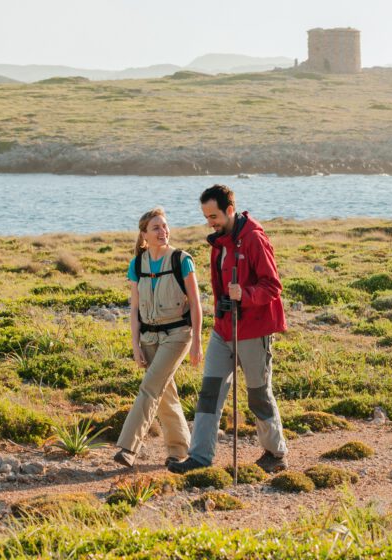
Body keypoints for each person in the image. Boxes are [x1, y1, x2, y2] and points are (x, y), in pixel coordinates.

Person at [169, 185, 288, 474]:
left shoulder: (255, 240)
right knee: (209, 392)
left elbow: (272, 286)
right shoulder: (220, 242)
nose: (210, 222)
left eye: (214, 216)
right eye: (206, 217)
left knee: (259, 394)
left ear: (230, 210)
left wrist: (243, 295)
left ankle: (276, 453)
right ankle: (200, 457)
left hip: (254, 330)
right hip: (225, 329)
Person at [113, 207, 203, 467]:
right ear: (144, 234)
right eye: (156, 228)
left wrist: (197, 341)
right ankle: (180, 450)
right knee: (165, 394)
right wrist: (135, 345)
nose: (163, 231)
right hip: (149, 338)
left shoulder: (181, 259)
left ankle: (128, 447)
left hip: (177, 335)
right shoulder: (137, 264)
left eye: (165, 226)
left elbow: (196, 304)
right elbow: (133, 309)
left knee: (150, 388)